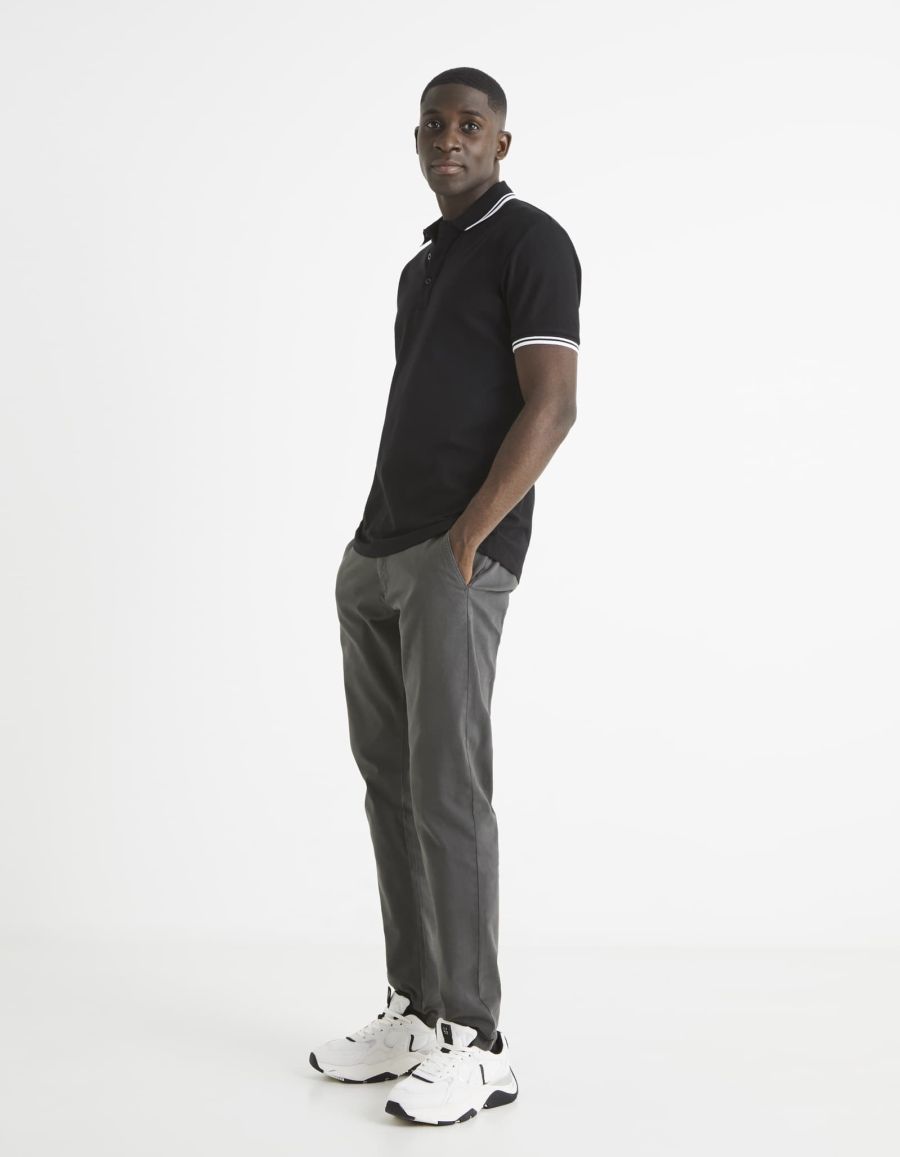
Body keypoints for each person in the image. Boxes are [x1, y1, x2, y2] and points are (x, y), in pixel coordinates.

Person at [310, 65, 581, 1127]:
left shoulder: (531, 241)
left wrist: (467, 538)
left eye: (470, 125)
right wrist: (366, 547)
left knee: (449, 790)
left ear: (502, 142)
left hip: (452, 557)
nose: (449, 139)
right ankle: (417, 1009)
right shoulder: (424, 267)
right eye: (434, 124)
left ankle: (477, 1040)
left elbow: (552, 406)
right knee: (391, 784)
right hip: (379, 553)